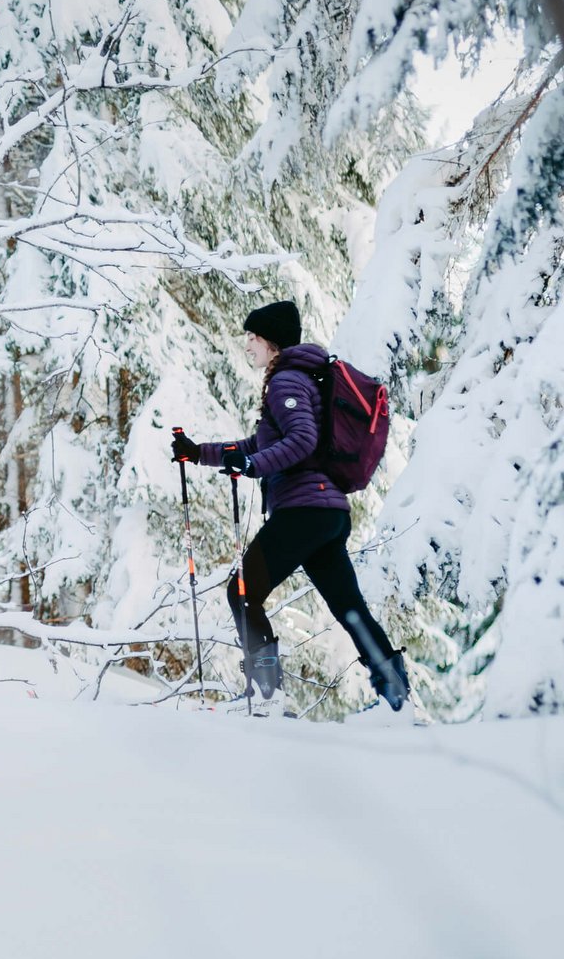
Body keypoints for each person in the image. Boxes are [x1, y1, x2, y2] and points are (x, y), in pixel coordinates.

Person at [171, 300, 410, 714]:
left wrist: (252, 466)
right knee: (349, 608)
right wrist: (199, 453)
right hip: (326, 514)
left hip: (304, 510)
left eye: (251, 338)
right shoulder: (301, 379)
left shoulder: (286, 382)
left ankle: (265, 696)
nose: (247, 346)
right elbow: (256, 446)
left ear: (270, 342)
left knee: (242, 592)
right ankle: (397, 700)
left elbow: (300, 441)